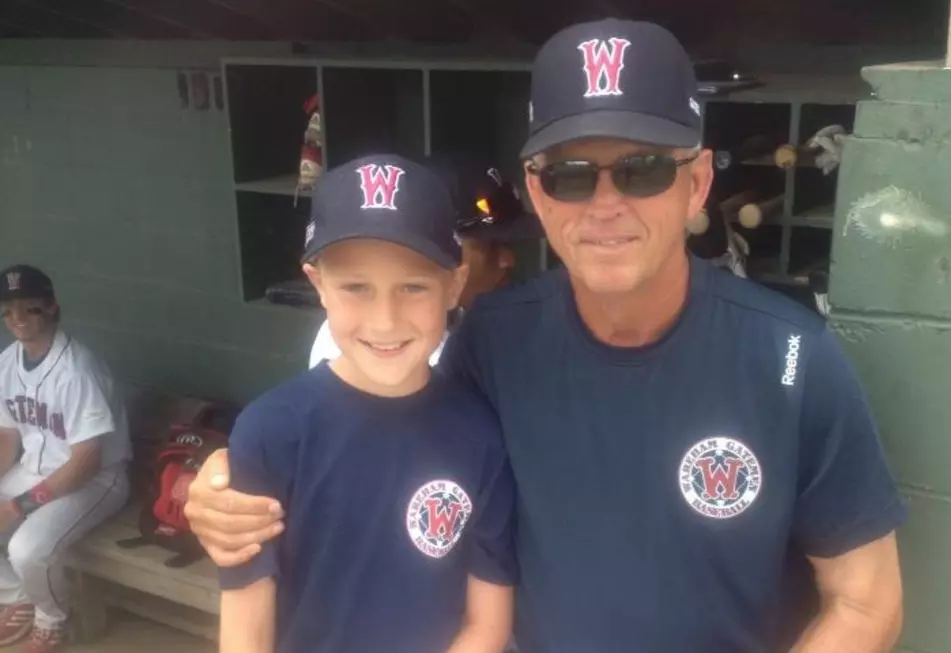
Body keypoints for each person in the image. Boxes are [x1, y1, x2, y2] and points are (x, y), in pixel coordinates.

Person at [185, 19, 906, 653]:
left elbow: (868, 602)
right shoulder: (491, 344)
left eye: (643, 169)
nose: (605, 204)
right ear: (536, 193)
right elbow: (371, 428)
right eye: (569, 176)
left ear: (696, 185)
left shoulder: (788, 359)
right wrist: (228, 479)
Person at [219, 154, 516, 653]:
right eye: (356, 287)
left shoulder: (480, 435)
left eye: (413, 286)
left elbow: (487, 624)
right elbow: (246, 620)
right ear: (317, 284)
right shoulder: (270, 431)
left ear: (455, 285)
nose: (384, 320)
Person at [0, 265, 130, 653]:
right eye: (8, 310)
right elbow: (7, 435)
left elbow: (87, 459)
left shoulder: (76, 368)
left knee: (27, 548)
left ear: (52, 307)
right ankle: (18, 596)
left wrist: (18, 506)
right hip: (39, 470)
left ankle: (52, 620)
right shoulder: (8, 362)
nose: (17, 318)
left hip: (96, 481)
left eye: (29, 308)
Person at [308, 153, 542, 369]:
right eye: (490, 246)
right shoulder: (386, 347)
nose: (507, 260)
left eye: (509, 245)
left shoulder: (470, 321)